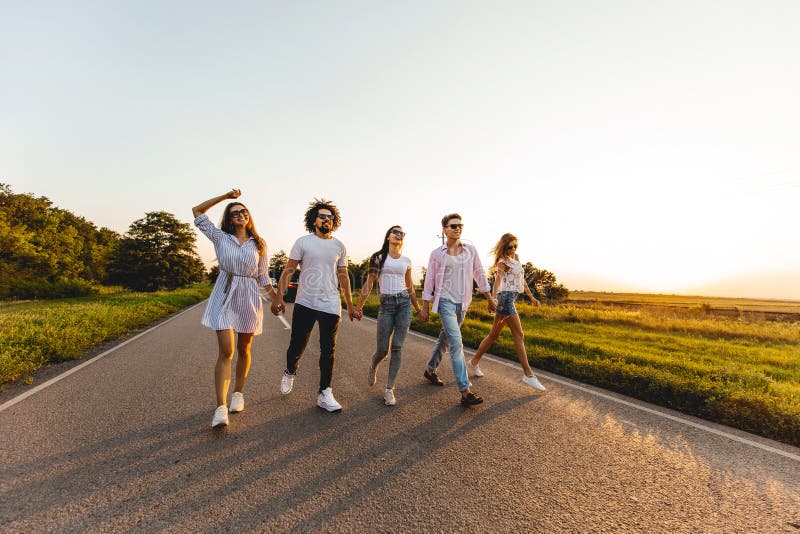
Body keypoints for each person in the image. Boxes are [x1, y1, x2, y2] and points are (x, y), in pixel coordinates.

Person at [192, 189, 281, 428]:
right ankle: (221, 408)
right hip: (224, 292)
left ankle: (238, 394)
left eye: (243, 211)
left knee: (244, 348)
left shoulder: (259, 244)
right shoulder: (220, 237)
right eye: (235, 213)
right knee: (227, 351)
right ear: (229, 219)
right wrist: (225, 198)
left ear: (249, 216)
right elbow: (197, 211)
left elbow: (263, 277)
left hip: (249, 296)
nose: (240, 214)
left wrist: (275, 300)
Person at [273, 198, 358, 413]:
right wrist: (279, 297)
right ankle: (290, 370)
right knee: (297, 344)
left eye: (330, 217)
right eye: (322, 216)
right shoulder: (303, 242)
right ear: (314, 220)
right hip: (305, 301)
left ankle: (325, 392)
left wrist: (349, 304)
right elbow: (289, 270)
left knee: (328, 349)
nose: (326, 220)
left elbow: (343, 276)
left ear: (334, 221)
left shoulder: (339, 246)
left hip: (330, 303)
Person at [418, 213, 497, 406]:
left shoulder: (470, 250)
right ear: (444, 229)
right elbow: (429, 281)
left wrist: (489, 298)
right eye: (453, 226)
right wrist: (425, 307)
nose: (458, 228)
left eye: (460, 225)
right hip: (444, 301)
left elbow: (479, 273)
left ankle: (430, 369)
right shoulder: (437, 253)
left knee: (445, 338)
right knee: (456, 343)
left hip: (462, 303)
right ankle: (465, 391)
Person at [468, 233, 547, 391]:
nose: (513, 249)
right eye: (510, 247)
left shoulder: (515, 258)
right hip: (504, 301)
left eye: (515, 246)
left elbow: (521, 280)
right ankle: (528, 374)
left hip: (510, 299)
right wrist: (493, 299)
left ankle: (473, 362)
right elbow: (497, 281)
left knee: (493, 335)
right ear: (504, 247)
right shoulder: (502, 262)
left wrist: (532, 297)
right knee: (519, 335)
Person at [355, 225, 421, 406]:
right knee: (383, 350)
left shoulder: (407, 260)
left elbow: (410, 287)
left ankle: (389, 389)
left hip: (404, 305)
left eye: (402, 233)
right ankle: (373, 365)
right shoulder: (379, 258)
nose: (399, 235)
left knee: (398, 348)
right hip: (387, 306)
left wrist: (418, 308)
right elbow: (369, 284)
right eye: (395, 232)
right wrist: (358, 307)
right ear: (388, 237)